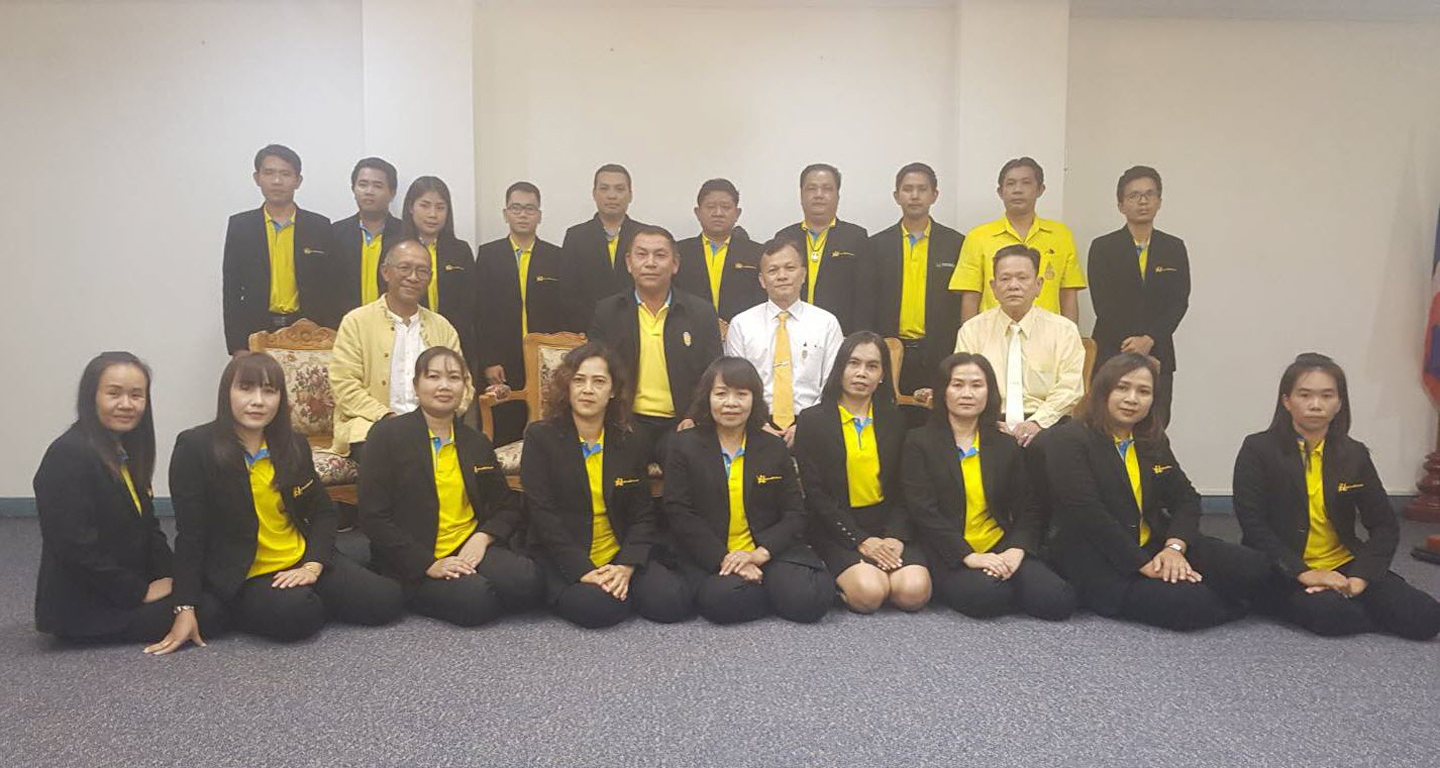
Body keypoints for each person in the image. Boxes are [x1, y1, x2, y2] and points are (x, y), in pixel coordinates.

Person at [147, 354, 403, 654]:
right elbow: (190, 534)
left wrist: (313, 565)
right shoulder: (195, 447)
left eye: (269, 391)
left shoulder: (292, 444)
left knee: (386, 601)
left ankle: (307, 594)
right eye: (246, 388)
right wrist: (185, 605)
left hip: (299, 559)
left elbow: (322, 512)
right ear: (226, 392)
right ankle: (267, 604)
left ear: (280, 398)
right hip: (247, 573)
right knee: (296, 617)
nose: (258, 401)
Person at [1046, 353, 1269, 631]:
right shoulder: (1069, 439)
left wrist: (1174, 548)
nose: (1132, 399)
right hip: (1099, 558)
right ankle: (1218, 595)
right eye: (1122, 387)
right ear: (1103, 390)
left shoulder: (1151, 440)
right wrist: (1144, 564)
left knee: (1254, 567)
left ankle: (1212, 587)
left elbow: (1186, 498)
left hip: (1156, 544)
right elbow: (1089, 515)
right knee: (1192, 603)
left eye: (1143, 391)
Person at [1233, 353, 1440, 640]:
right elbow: (1254, 526)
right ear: (1286, 401)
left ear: (1340, 402)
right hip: (1285, 566)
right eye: (1305, 395)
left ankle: (1349, 600)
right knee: (1334, 616)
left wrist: (1361, 578)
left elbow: (1384, 526)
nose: (1316, 404)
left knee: (1426, 617)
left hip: (1344, 563)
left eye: (1327, 395)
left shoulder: (1354, 454)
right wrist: (1305, 573)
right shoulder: (1258, 449)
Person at [33, 353, 219, 643]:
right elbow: (75, 547)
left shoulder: (125, 449)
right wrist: (139, 591)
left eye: (136, 395)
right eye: (114, 393)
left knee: (202, 591)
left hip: (120, 584)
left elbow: (149, 530)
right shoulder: (68, 454)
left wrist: (177, 578)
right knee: (213, 611)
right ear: (91, 397)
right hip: (86, 604)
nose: (126, 404)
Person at [359, 346, 544, 626]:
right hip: (415, 555)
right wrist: (428, 564)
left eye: (454, 377)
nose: (444, 386)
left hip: (468, 545)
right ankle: (422, 587)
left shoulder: (475, 442)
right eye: (433, 377)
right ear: (416, 385)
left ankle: (473, 582)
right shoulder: (386, 436)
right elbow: (373, 517)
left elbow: (506, 505)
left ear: (465, 387)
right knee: (477, 601)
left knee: (528, 582)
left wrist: (483, 538)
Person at [522, 343, 694, 628]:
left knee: (673, 602)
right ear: (567, 386)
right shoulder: (541, 438)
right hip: (566, 554)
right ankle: (605, 591)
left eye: (599, 381)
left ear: (613, 391)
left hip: (617, 551)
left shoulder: (630, 439)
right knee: (600, 609)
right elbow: (543, 516)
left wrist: (626, 566)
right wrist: (583, 570)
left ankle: (619, 585)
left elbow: (642, 514)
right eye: (579, 380)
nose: (588, 390)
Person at [901, 353, 1074, 620]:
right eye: (957, 385)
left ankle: (1002, 577)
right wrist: (968, 556)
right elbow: (923, 512)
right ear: (943, 391)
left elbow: (1029, 506)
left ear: (989, 392)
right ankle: (993, 581)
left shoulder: (1004, 443)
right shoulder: (918, 442)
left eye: (976, 385)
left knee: (1057, 599)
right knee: (989, 597)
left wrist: (1016, 549)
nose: (967, 393)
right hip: (948, 549)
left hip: (999, 545)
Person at [664, 357, 831, 624]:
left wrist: (757, 555)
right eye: (721, 394)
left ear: (754, 399)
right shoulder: (683, 445)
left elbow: (794, 513)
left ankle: (763, 584)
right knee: (720, 601)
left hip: (765, 549)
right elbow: (679, 513)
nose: (731, 403)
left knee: (811, 600)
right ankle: (769, 589)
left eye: (741, 394)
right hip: (711, 553)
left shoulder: (773, 447)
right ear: (707, 397)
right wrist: (726, 559)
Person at [794, 332, 931, 613]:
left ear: (882, 375)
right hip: (836, 526)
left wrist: (895, 535)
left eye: (872, 366)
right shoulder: (812, 421)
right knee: (870, 594)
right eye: (853, 363)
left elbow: (907, 488)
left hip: (887, 523)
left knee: (914, 593)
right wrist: (860, 540)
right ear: (840, 368)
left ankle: (877, 568)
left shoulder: (896, 420)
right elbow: (816, 495)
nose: (861, 373)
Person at [329, 239, 474, 462]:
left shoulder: (442, 327)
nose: (413, 277)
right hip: (372, 427)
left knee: (476, 455)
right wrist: (389, 418)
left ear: (430, 278)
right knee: (398, 456)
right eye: (405, 268)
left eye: (422, 271)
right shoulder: (357, 322)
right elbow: (344, 385)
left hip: (435, 427)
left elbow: (463, 384)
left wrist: (438, 418)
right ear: (386, 272)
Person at [587, 225, 723, 460]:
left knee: (686, 458)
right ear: (629, 263)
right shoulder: (608, 311)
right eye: (642, 255)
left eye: (660, 255)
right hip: (625, 420)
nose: (650, 263)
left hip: (682, 421)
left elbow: (713, 374)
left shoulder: (701, 313)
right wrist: (614, 417)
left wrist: (694, 417)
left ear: (675, 264)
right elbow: (596, 370)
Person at [951, 245, 1084, 449]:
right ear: (993, 287)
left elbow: (1070, 387)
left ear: (1038, 285)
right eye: (1005, 279)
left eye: (1022, 278)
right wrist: (988, 422)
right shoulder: (972, 330)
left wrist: (1037, 422)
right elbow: (963, 385)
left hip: (1048, 423)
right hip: (990, 423)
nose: (1013, 285)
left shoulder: (1064, 330)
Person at [1087, 165, 1190, 428]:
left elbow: (1179, 301)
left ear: (1159, 201)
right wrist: (1135, 349)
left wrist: (1150, 340)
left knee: (1154, 426)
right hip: (1112, 350)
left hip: (1159, 353)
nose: (1142, 201)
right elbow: (1103, 304)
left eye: (1149, 194)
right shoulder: (1103, 247)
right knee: (1105, 424)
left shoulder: (1174, 247)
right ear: (1121, 205)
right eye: (1134, 196)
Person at [475, 181, 573, 446]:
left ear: (539, 215)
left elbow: (564, 311)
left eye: (530, 209)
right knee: (503, 431)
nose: (522, 215)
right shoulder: (488, 255)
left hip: (545, 362)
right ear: (505, 213)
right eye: (516, 208)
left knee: (546, 432)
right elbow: (480, 312)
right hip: (501, 363)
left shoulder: (556, 256)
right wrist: (489, 361)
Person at [723, 238, 843, 446]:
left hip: (814, 424)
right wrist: (757, 423)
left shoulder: (826, 323)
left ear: (803, 274)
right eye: (773, 270)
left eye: (790, 268)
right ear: (762, 280)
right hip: (754, 426)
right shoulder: (741, 324)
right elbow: (735, 383)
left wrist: (807, 425)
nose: (782, 276)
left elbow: (833, 383)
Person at [222, 144, 338, 353]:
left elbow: (331, 288)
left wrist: (330, 337)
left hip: (309, 332)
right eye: (269, 173)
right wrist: (237, 347)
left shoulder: (319, 226)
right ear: (257, 178)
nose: (277, 181)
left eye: (285, 174)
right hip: (256, 330)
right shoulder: (241, 226)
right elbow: (231, 291)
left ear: (298, 180)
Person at [872, 162, 965, 415]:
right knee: (890, 419)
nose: (914, 195)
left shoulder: (955, 244)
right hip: (891, 351)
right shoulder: (876, 245)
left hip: (940, 351)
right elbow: (870, 301)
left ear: (934, 195)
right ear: (896, 195)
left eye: (922, 189)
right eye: (907, 189)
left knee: (938, 420)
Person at [949, 157, 1086, 324]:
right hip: (992, 333)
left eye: (1026, 183)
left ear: (1040, 189)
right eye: (1011, 183)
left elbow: (1068, 295)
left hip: (1047, 334)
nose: (1018, 190)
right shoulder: (978, 237)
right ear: (1000, 192)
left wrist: (1070, 335)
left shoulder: (1061, 235)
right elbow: (971, 297)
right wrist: (970, 337)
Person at [774, 163, 876, 334]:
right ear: (801, 195)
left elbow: (865, 296)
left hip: (840, 333)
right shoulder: (785, 237)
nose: (819, 195)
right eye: (811, 188)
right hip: (790, 331)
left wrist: (858, 338)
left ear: (838, 195)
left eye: (827, 189)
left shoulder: (856, 237)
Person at [400, 176, 479, 371]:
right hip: (407, 342)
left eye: (440, 207)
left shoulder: (460, 250)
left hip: (453, 343)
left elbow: (470, 302)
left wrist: (448, 337)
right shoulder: (397, 248)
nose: (433, 214)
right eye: (425, 205)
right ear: (411, 207)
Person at [563, 164, 651, 323]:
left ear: (630, 195)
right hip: (588, 327)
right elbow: (568, 291)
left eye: (619, 189)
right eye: (604, 188)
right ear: (594, 194)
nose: (612, 196)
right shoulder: (576, 236)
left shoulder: (645, 235)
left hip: (639, 324)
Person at [675, 178, 765, 322]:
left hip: (743, 330)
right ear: (697, 212)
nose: (718, 213)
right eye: (710, 207)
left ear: (737, 213)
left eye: (726, 207)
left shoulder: (757, 253)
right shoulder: (679, 253)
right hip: (691, 329)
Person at [332, 157, 403, 316]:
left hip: (394, 322)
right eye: (363, 184)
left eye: (378, 186)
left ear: (392, 193)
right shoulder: (335, 233)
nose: (369, 191)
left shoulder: (405, 235)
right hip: (345, 323)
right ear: (353, 189)